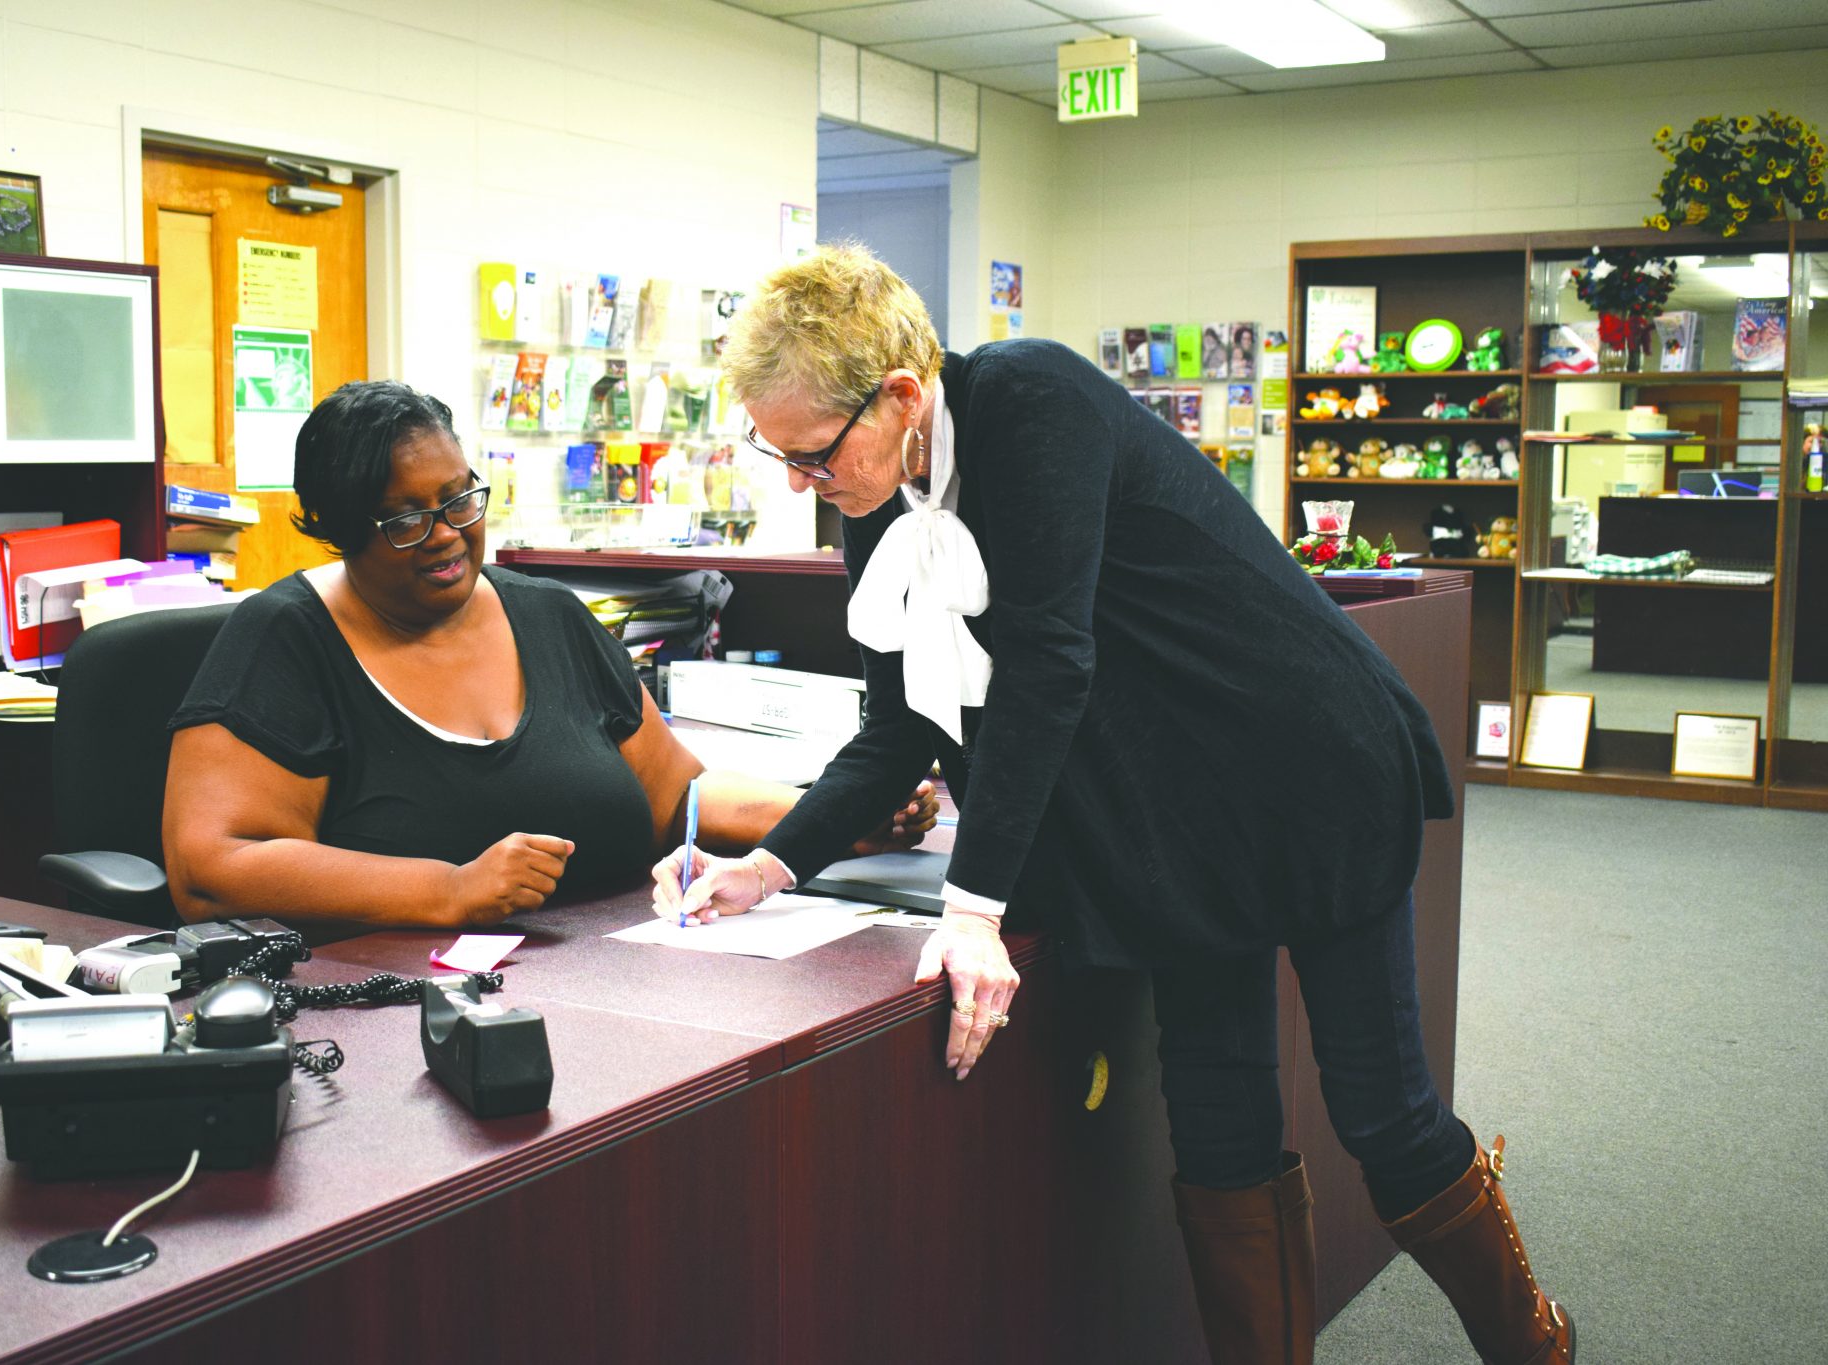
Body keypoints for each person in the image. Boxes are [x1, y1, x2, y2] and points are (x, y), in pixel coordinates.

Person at [650, 246, 1573, 1365]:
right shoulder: (875, 493)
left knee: (1383, 1118)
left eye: (807, 452)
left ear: (897, 397)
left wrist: (973, 908)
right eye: (774, 454)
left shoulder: (1031, 400)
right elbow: (898, 724)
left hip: (1300, 767)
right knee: (1220, 1129)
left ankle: (1532, 1345)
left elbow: (1046, 661)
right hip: (1166, 817)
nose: (797, 481)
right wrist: (773, 863)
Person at [163, 380, 934, 932]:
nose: (444, 534)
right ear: (337, 529)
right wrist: (448, 890)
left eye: (460, 500)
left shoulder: (549, 615)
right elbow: (209, 866)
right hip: (397, 1008)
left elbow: (678, 796)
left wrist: (841, 820)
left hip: (622, 967)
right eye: (403, 519)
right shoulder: (288, 640)